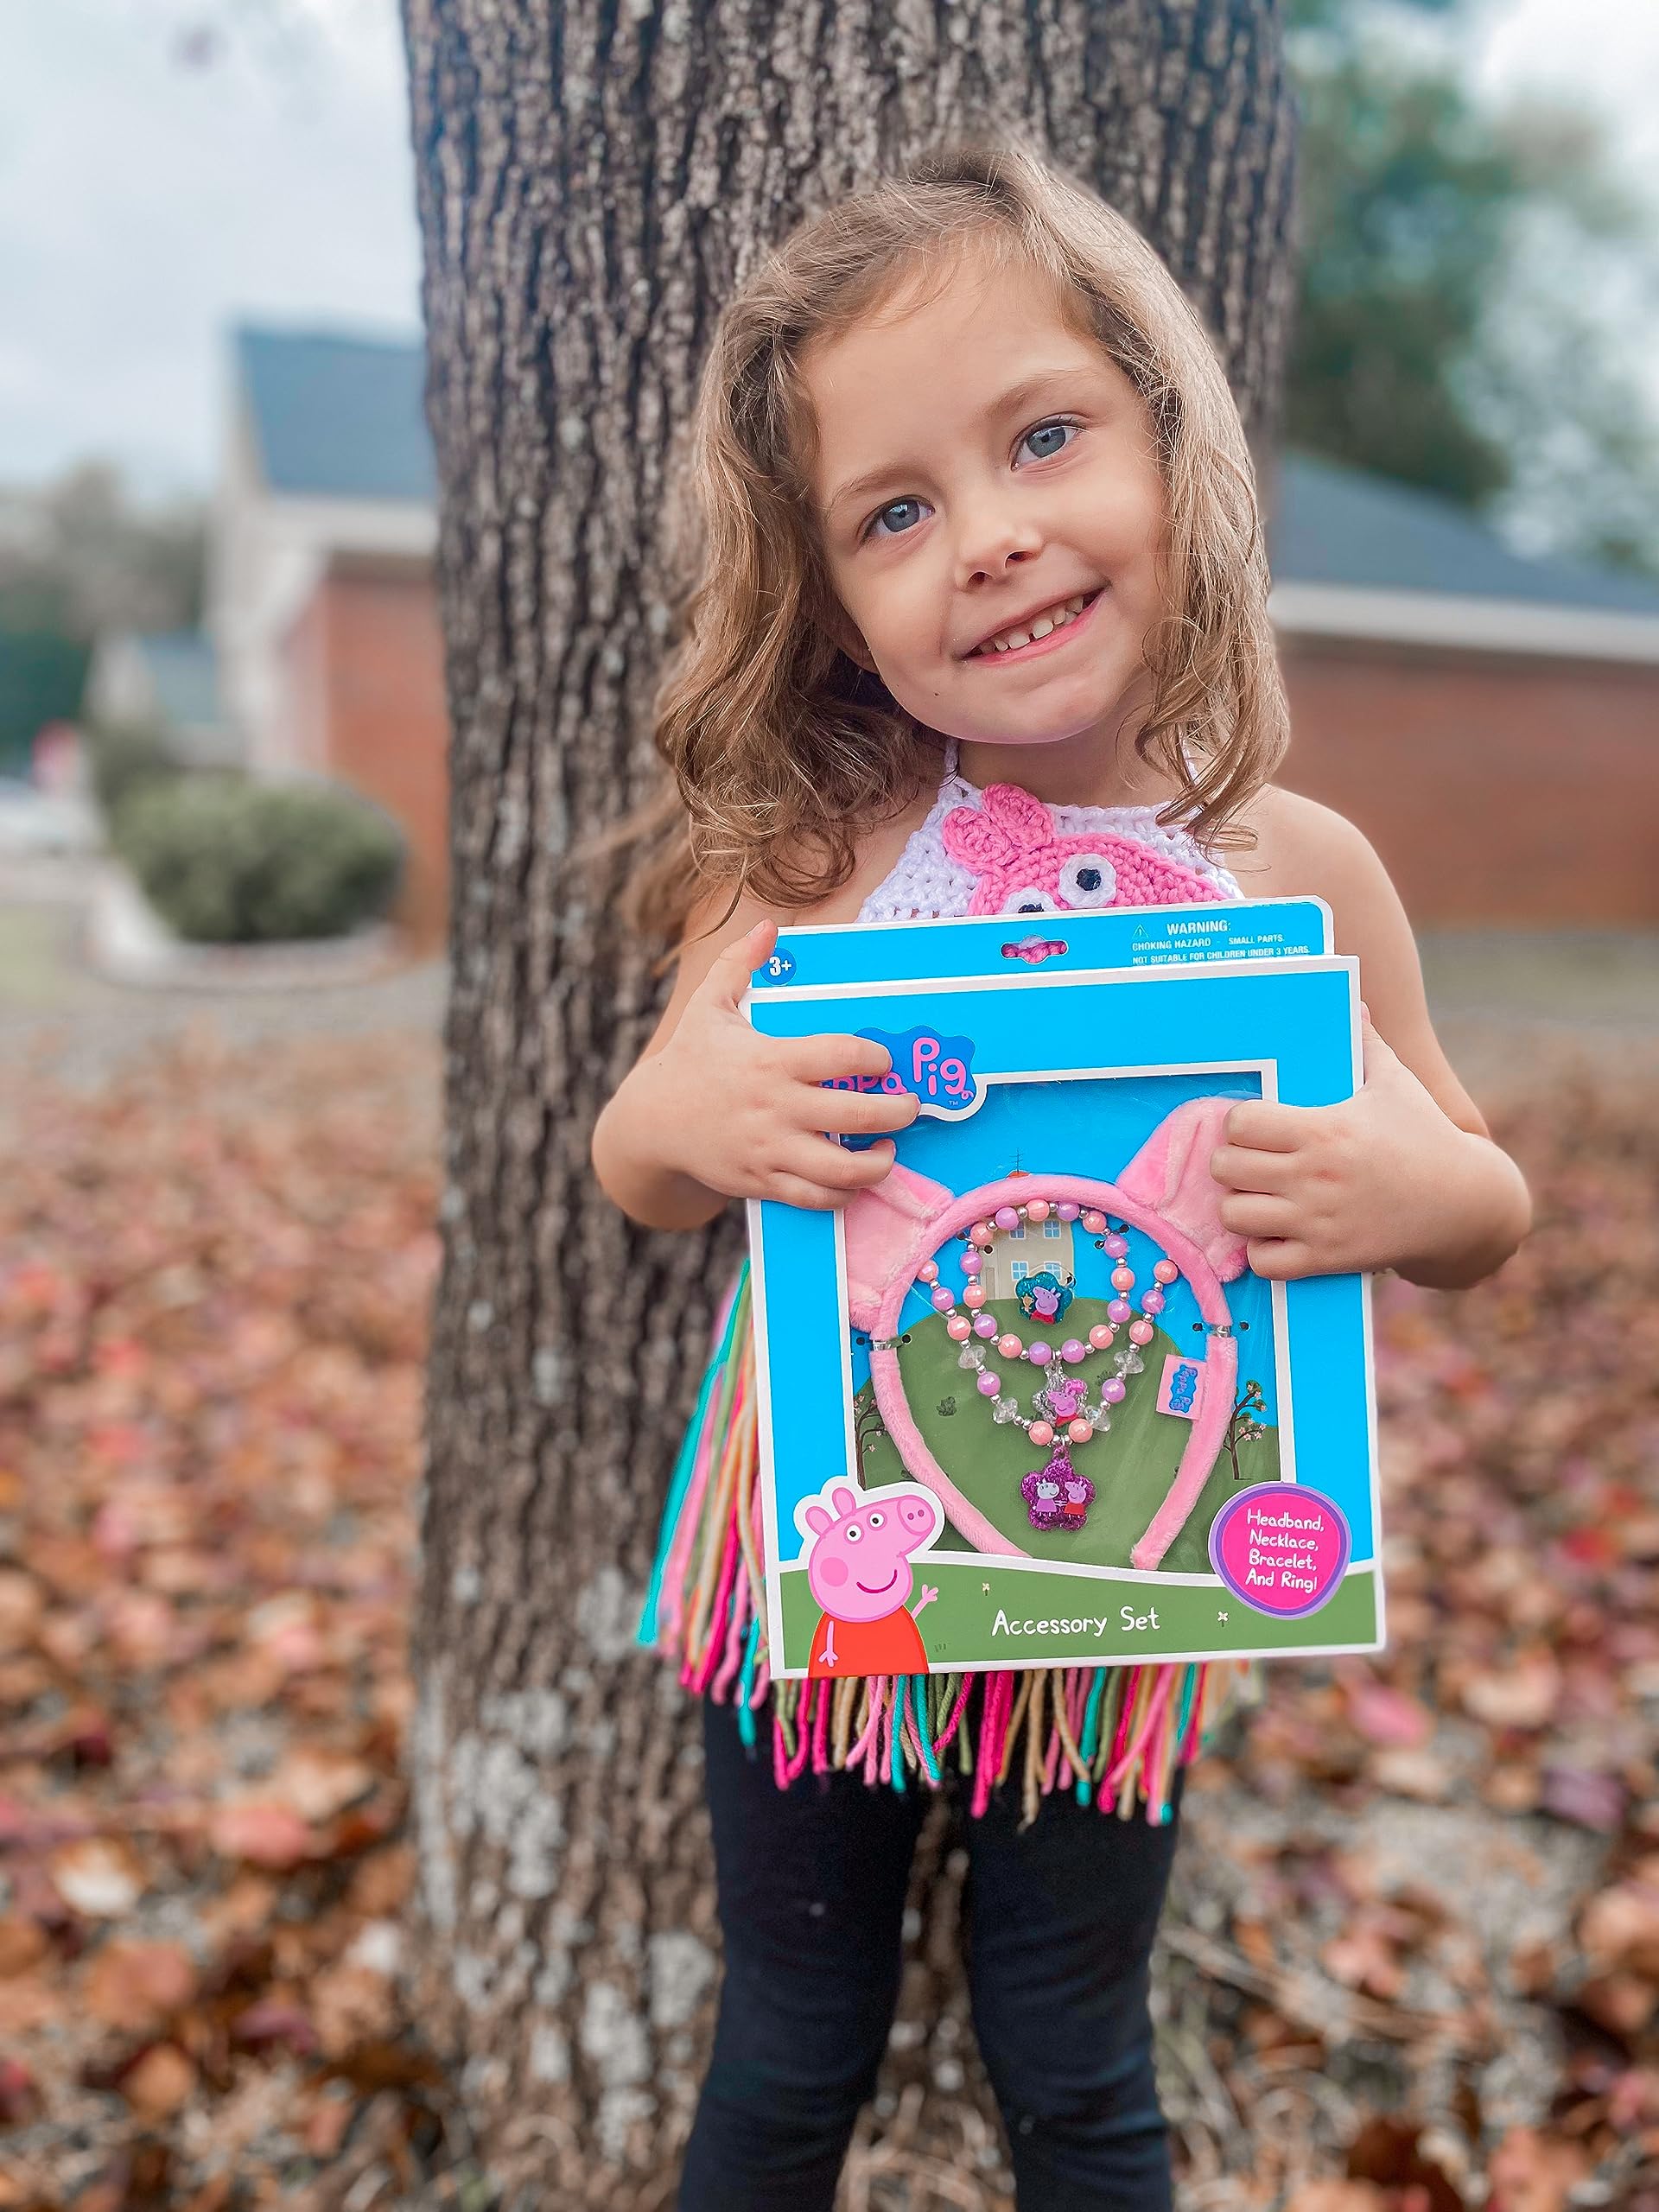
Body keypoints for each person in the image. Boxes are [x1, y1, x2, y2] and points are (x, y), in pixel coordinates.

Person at [591, 137, 1531, 2212]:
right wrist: (715, 1115)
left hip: (1126, 1561)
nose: (994, 541)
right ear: (830, 597)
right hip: (828, 1544)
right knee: (788, 2042)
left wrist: (1402, 1185)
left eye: (1044, 439)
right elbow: (639, 1150)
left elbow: (1483, 1197)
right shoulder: (815, 868)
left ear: (1165, 439)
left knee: (1076, 2054)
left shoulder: (1299, 874)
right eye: (898, 511)